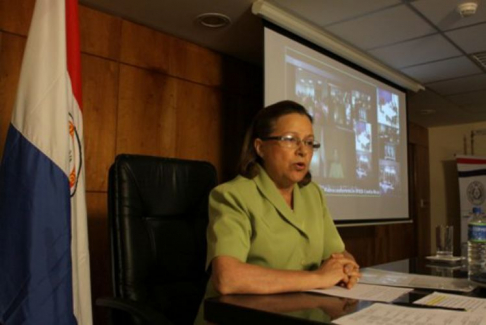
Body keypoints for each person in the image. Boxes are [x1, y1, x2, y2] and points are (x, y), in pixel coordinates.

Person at [194, 100, 360, 324]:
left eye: (309, 143)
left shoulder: (313, 194)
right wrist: (317, 278)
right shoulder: (231, 195)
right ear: (260, 147)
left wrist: (346, 267)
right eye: (291, 140)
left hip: (301, 314)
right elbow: (228, 278)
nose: (303, 151)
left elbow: (338, 254)